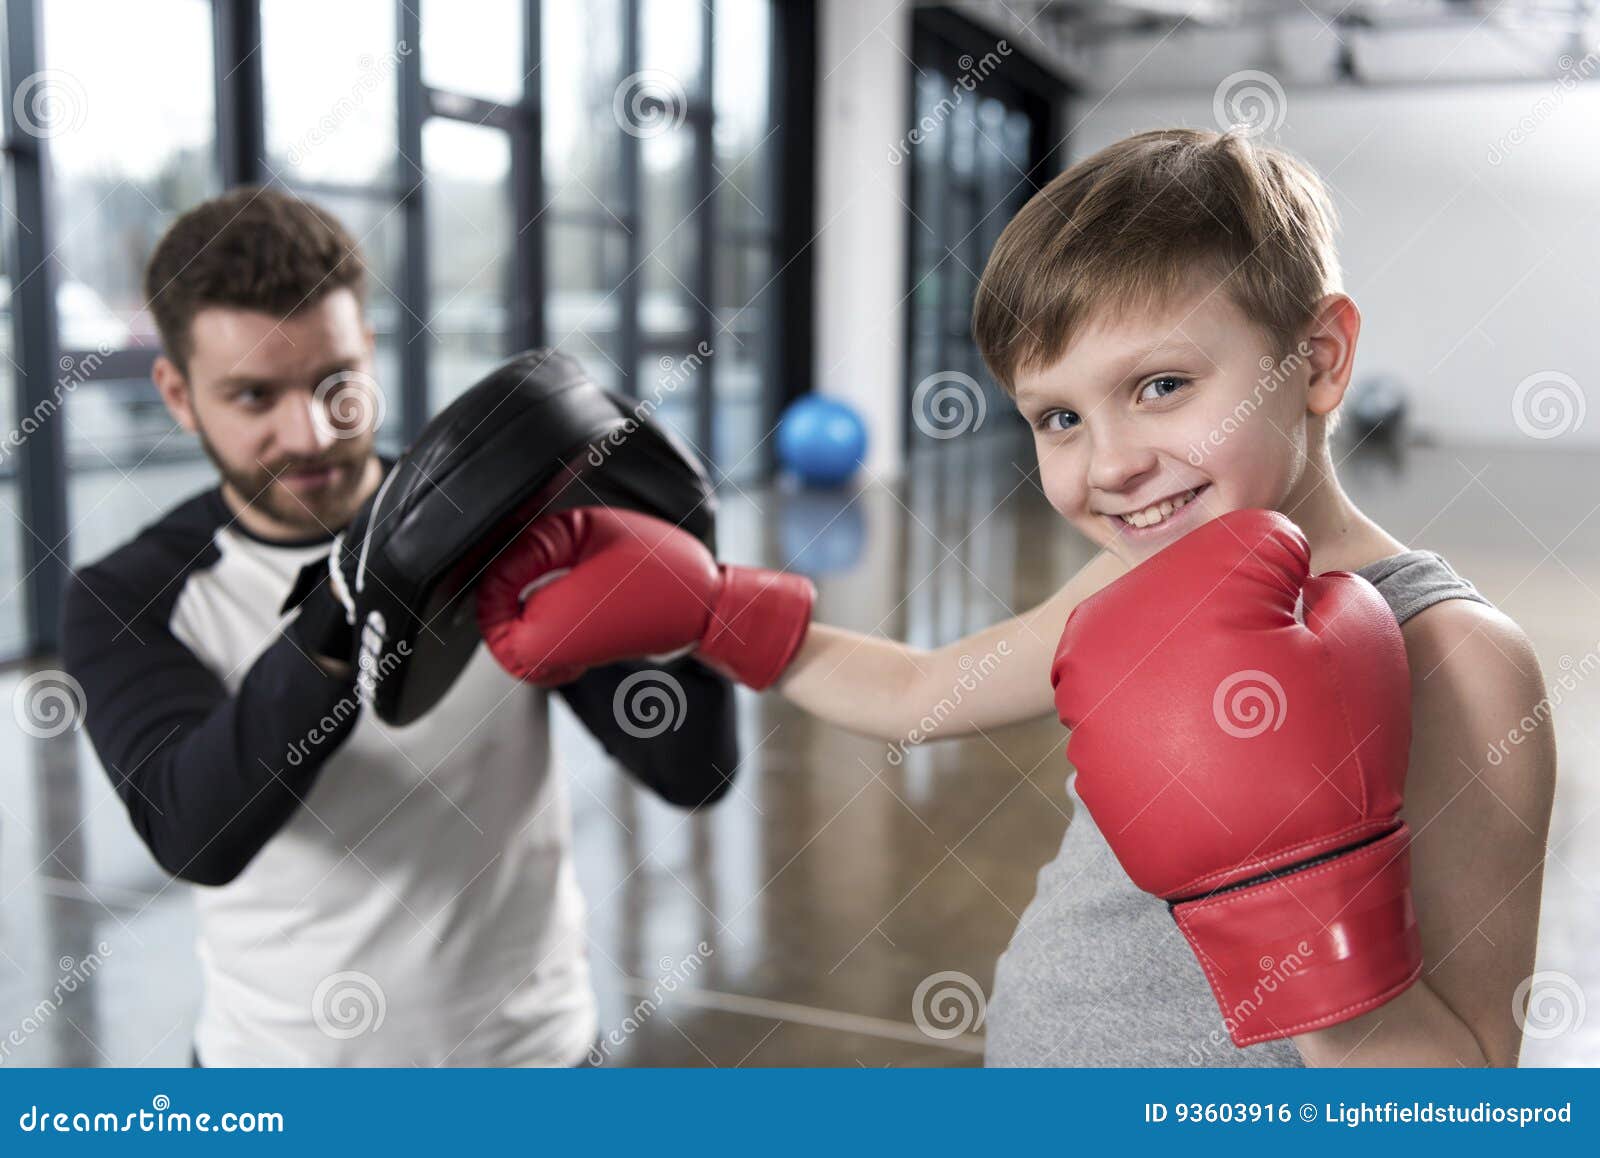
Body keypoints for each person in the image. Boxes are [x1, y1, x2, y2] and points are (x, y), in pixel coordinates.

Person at [473, 129, 1557, 1068]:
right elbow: (923, 690)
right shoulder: (1129, 580)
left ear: (1315, 360)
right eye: (1057, 418)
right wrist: (714, 610)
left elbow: (1458, 1095)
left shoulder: (1455, 659)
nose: (1112, 463)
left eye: (1161, 385)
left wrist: (1296, 908)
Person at [60, 186, 739, 1067]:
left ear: (369, 353)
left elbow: (695, 773)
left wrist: (683, 588)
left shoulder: (502, 527)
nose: (307, 432)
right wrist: (358, 591)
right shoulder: (132, 595)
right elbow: (196, 830)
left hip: (533, 1060)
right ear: (178, 394)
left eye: (333, 383)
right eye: (253, 396)